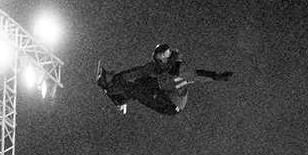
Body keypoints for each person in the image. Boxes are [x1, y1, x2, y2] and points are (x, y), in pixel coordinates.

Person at [97, 43, 232, 116]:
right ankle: (120, 96)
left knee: (140, 90)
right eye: (163, 55)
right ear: (158, 57)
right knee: (143, 80)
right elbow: (138, 71)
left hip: (171, 104)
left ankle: (112, 87)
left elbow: (198, 75)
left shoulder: (178, 67)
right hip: (164, 91)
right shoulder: (155, 66)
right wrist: (117, 77)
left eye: (167, 53)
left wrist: (217, 76)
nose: (166, 57)